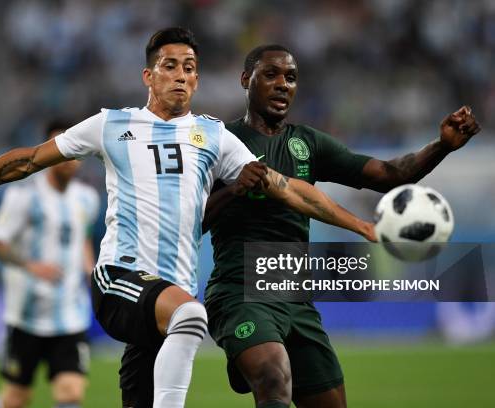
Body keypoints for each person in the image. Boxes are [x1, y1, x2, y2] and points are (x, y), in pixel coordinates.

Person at [0, 29, 375, 408]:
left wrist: (363, 227)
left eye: (190, 68)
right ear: (149, 76)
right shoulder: (112, 124)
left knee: (171, 339)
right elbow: (24, 161)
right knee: (192, 316)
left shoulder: (212, 136)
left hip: (164, 305)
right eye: (170, 66)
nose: (181, 76)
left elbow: (291, 190)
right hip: (120, 279)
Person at [202, 44, 481, 408]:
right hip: (239, 289)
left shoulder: (308, 143)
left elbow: (390, 175)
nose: (283, 84)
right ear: (245, 80)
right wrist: (235, 190)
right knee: (273, 374)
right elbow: (194, 219)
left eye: (291, 77)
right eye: (270, 75)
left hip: (294, 295)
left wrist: (442, 146)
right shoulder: (220, 143)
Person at [0, 120, 99, 408]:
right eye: (60, 149)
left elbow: (80, 237)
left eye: (73, 151)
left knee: (71, 393)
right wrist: (30, 265)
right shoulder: (23, 196)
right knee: (16, 398)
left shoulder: (88, 199)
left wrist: (90, 269)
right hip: (26, 317)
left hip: (70, 316)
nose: (67, 158)